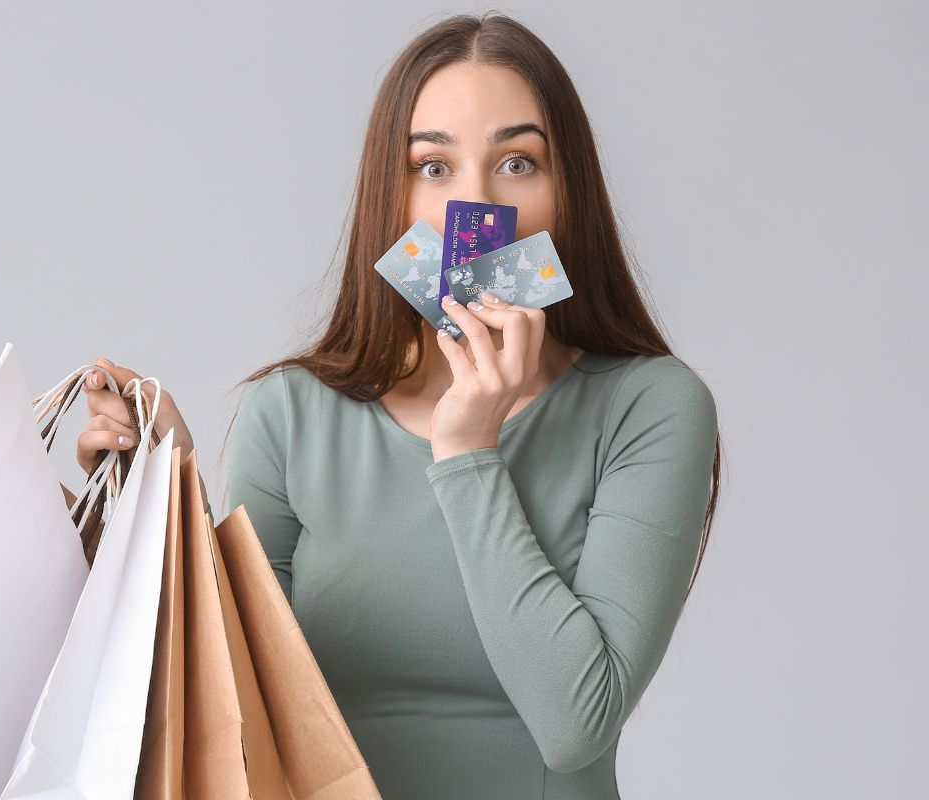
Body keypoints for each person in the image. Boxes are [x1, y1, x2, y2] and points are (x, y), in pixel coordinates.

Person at [77, 12, 723, 799]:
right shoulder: (292, 413)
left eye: (518, 162)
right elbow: (232, 709)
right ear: (392, 194)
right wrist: (161, 511)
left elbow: (576, 725)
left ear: (569, 193)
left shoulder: (650, 408)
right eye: (434, 167)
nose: (476, 212)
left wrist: (468, 451)